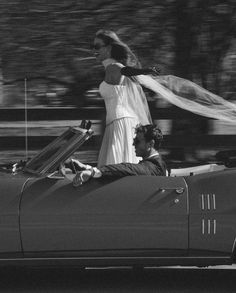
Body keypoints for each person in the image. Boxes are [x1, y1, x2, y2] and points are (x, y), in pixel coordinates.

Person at [92, 29, 160, 167]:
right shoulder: (109, 68)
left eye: (97, 46)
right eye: (93, 47)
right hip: (117, 121)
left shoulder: (113, 66)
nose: (94, 50)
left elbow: (126, 71)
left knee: (116, 164)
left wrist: (145, 71)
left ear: (109, 48)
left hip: (120, 122)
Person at [72, 124, 166, 187]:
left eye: (137, 141)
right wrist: (87, 167)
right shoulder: (153, 164)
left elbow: (128, 168)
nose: (133, 144)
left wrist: (93, 171)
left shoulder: (154, 166)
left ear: (150, 144)